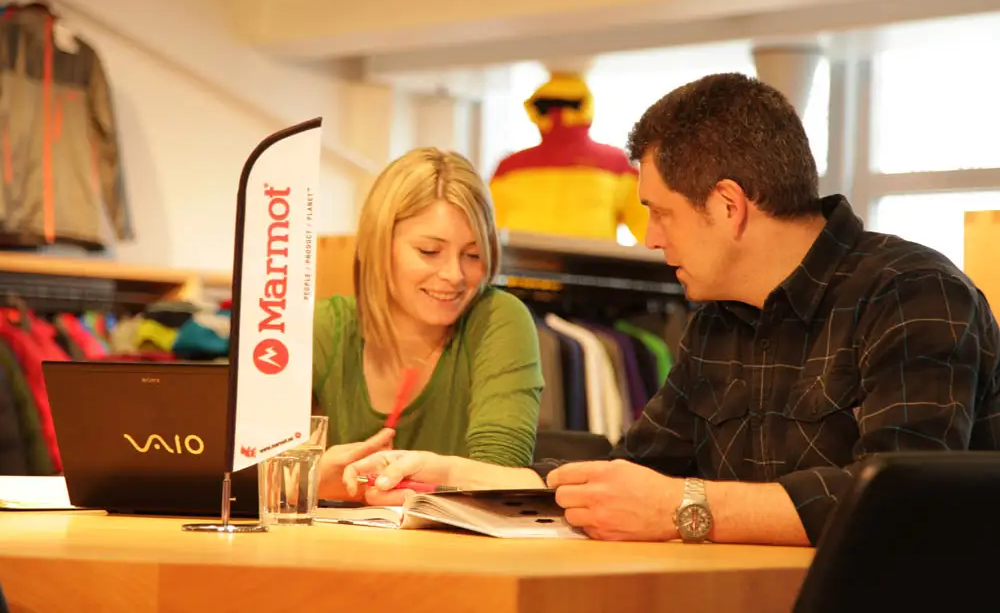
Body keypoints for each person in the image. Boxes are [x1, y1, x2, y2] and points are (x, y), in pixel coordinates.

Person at [341, 73, 1000, 547]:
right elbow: (634, 472)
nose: (651, 238)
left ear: (729, 206)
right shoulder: (719, 318)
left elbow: (897, 504)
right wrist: (459, 479)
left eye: (660, 213)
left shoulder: (913, 294)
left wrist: (686, 508)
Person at [313, 147, 545, 501]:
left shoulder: (499, 320)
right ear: (379, 245)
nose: (454, 275)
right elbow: (250, 470)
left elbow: (499, 479)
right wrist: (310, 480)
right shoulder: (324, 328)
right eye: (429, 251)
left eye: (473, 255)